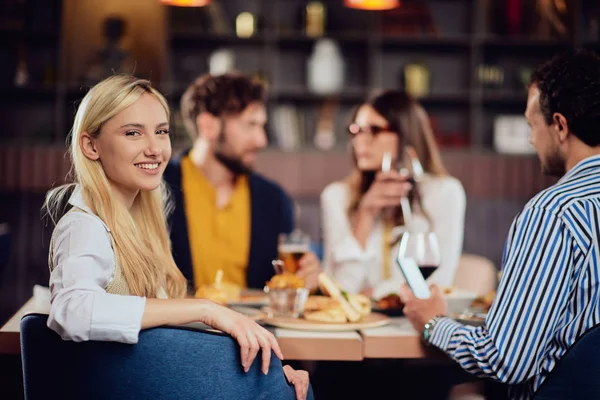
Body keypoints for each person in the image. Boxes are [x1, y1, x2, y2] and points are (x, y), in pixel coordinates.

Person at [44, 74, 311, 400]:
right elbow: (71, 311)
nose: (155, 148)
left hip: (156, 379)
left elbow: (165, 330)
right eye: (133, 133)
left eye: (162, 132)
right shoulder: (84, 225)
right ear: (91, 145)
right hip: (136, 387)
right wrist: (205, 308)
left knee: (289, 386)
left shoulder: (138, 220)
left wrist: (259, 373)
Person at [401, 49, 600, 400]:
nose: (529, 139)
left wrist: (433, 323)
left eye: (531, 125)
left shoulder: (554, 212)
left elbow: (506, 358)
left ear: (559, 126)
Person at [164, 73, 320, 292]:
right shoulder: (157, 188)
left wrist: (308, 278)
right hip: (179, 324)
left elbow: (284, 284)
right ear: (208, 126)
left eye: (262, 126)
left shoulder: (274, 200)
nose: (261, 140)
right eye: (250, 125)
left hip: (254, 324)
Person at [320, 90, 466, 300]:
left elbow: (438, 281)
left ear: (406, 134)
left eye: (375, 130)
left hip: (414, 322)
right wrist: (366, 214)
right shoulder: (337, 196)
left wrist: (378, 293)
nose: (360, 140)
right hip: (354, 327)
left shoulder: (444, 192)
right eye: (357, 130)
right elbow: (338, 289)